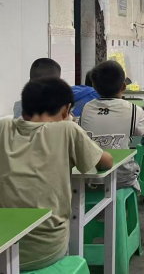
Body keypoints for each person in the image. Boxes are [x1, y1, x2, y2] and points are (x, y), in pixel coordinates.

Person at [0, 78, 113, 271]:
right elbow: (106, 162)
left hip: (3, 249)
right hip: (45, 249)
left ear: (24, 110)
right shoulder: (68, 129)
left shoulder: (3, 127)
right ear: (66, 110)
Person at [79, 61, 144, 191]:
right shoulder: (133, 109)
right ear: (124, 86)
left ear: (94, 87)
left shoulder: (87, 108)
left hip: (89, 177)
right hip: (122, 177)